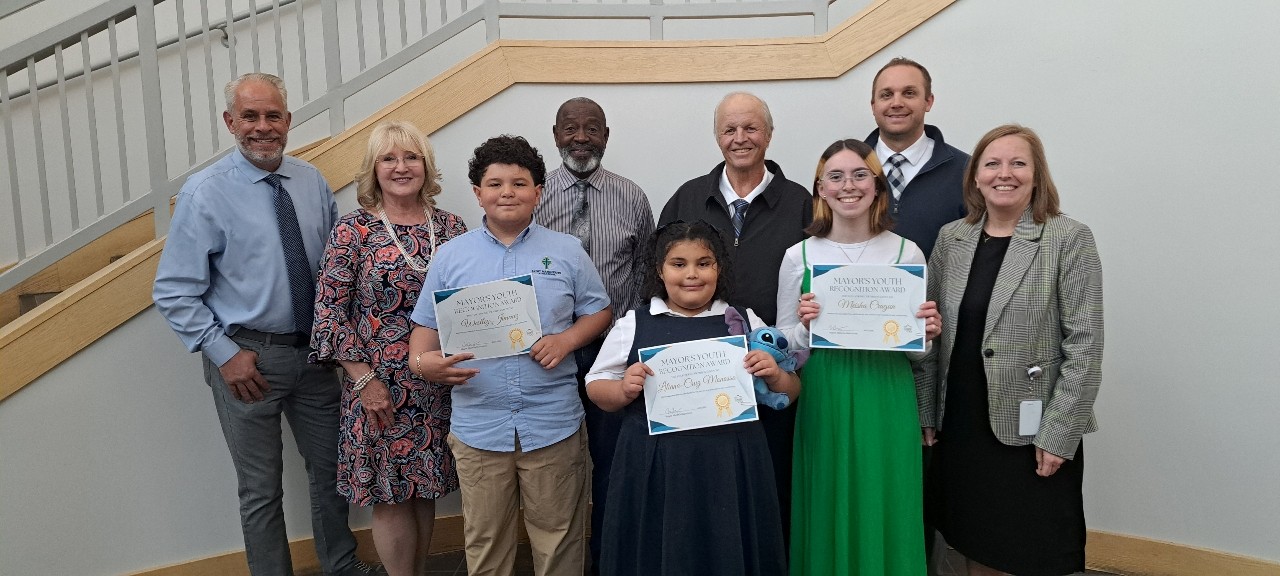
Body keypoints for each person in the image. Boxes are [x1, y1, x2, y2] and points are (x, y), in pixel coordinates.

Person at [152, 72, 377, 575]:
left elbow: (335, 270)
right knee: (260, 490)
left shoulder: (311, 181)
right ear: (230, 121)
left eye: (272, 115)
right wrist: (224, 354)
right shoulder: (205, 193)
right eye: (249, 116)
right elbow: (173, 290)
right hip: (247, 360)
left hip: (316, 357)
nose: (262, 127)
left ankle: (341, 566)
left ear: (288, 120)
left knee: (332, 473)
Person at [407, 135, 612, 576]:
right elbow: (422, 336)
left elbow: (600, 311)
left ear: (538, 192)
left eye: (519, 184)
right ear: (477, 192)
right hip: (480, 428)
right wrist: (426, 366)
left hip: (553, 423)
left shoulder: (566, 251)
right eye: (495, 184)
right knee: (486, 543)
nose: (507, 193)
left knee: (560, 540)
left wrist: (566, 341)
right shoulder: (450, 257)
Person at [919, 124, 1103, 576]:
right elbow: (929, 332)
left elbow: (1085, 345)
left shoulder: (1068, 238)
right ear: (975, 176)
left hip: (1032, 432)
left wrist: (1059, 433)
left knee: (1026, 549)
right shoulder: (952, 239)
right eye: (992, 164)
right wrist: (926, 411)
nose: (1005, 173)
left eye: (1018, 163)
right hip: (960, 426)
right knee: (967, 540)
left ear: (1037, 176)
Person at [586, 220, 798, 575]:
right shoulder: (634, 323)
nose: (692, 274)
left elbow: (790, 391)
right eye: (678, 264)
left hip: (731, 462)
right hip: (657, 464)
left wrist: (775, 375)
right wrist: (622, 390)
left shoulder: (745, 321)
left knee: (726, 547)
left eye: (704, 263)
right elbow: (596, 386)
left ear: (719, 268)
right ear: (660, 270)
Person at [776, 139, 941, 575]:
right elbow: (786, 345)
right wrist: (805, 328)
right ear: (820, 189)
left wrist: (925, 335)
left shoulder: (907, 252)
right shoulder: (799, 256)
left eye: (859, 174)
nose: (848, 185)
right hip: (824, 391)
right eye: (835, 176)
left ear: (877, 184)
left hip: (887, 391)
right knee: (827, 496)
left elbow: (918, 354)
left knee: (886, 495)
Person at [310, 120, 466, 576]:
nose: (401, 167)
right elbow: (329, 313)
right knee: (391, 494)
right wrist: (365, 382)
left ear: (426, 165)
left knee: (423, 488)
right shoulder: (353, 230)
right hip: (377, 387)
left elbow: (469, 302)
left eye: (411, 157)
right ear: (373, 169)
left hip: (434, 382)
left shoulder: (452, 227)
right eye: (389, 158)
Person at [658, 91, 811, 540]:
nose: (740, 138)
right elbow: (659, 276)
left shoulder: (801, 203)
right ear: (717, 136)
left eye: (751, 128)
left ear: (769, 134)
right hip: (699, 378)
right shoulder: (688, 198)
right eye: (729, 129)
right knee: (705, 491)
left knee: (771, 489)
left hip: (772, 374)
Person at [533, 96, 655, 574]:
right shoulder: (533, 194)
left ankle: (609, 559)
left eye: (591, 128)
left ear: (606, 135)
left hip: (614, 356)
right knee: (555, 468)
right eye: (570, 128)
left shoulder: (632, 196)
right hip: (551, 354)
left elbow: (646, 271)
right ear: (555, 134)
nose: (580, 138)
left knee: (612, 462)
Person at [864, 57, 968, 259]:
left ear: (928, 102)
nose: (896, 103)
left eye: (909, 93)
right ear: (874, 105)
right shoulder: (845, 171)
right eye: (886, 95)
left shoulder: (967, 170)